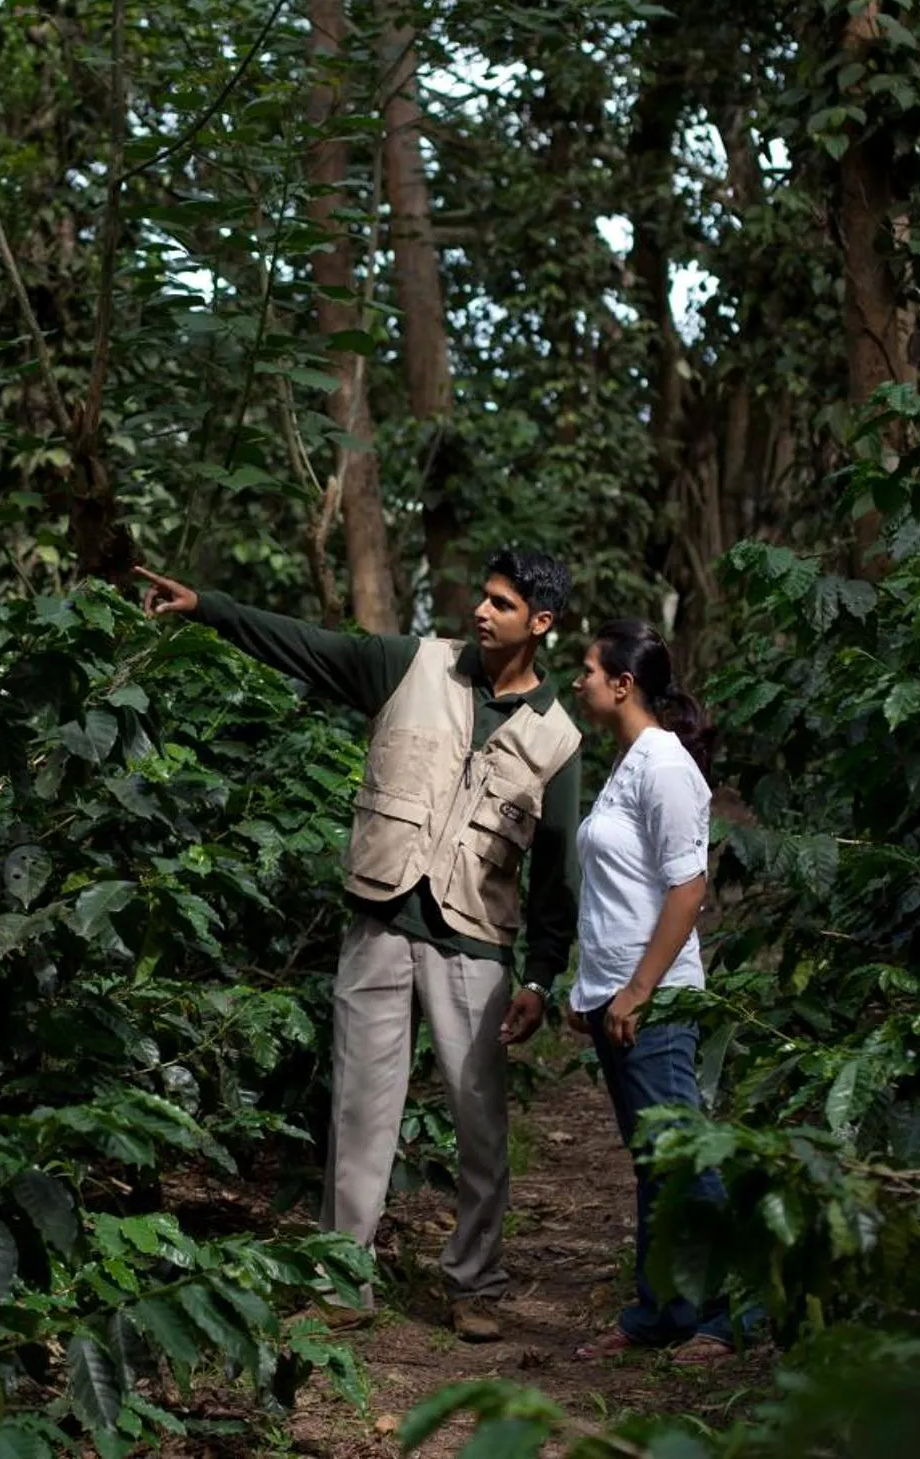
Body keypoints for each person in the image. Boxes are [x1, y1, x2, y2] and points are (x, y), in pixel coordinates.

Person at [134, 549, 583, 1344]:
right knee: (359, 1110)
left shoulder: (556, 738)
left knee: (479, 1123)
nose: (480, 613)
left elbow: (554, 874)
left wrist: (541, 977)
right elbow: (303, 643)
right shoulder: (409, 664)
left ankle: (473, 1280)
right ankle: (343, 1277)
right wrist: (206, 603)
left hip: (473, 946)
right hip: (378, 921)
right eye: (481, 597)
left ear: (538, 624)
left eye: (501, 604)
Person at [565, 619, 740, 1364]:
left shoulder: (663, 762)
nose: (576, 681)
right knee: (652, 1159)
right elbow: (618, 890)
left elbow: (687, 885)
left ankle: (724, 1315)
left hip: (657, 996)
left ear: (620, 683)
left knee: (684, 1156)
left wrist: (637, 989)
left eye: (584, 670)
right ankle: (658, 1309)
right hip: (618, 993)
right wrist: (593, 991)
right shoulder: (627, 760)